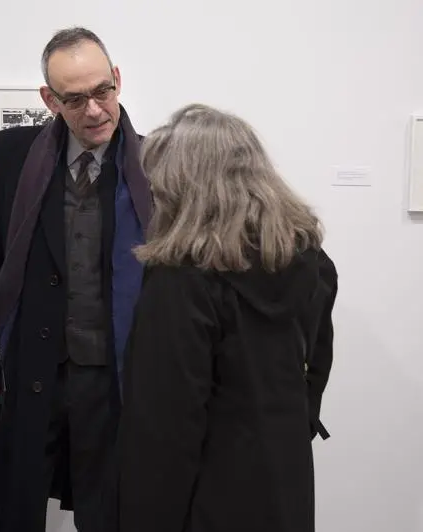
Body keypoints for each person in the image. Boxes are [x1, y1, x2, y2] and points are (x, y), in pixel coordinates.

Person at [0, 27, 151, 532]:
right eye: (75, 100)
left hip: (116, 379)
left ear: (117, 80)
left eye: (103, 92)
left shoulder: (154, 163)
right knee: (14, 515)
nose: (95, 110)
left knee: (115, 515)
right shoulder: (14, 154)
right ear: (49, 99)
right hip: (32, 372)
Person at [116, 103, 338, 532]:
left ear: (187, 187)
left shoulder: (180, 281)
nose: (156, 193)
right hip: (282, 486)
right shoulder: (311, 261)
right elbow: (314, 374)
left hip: (204, 500)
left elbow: (165, 429)